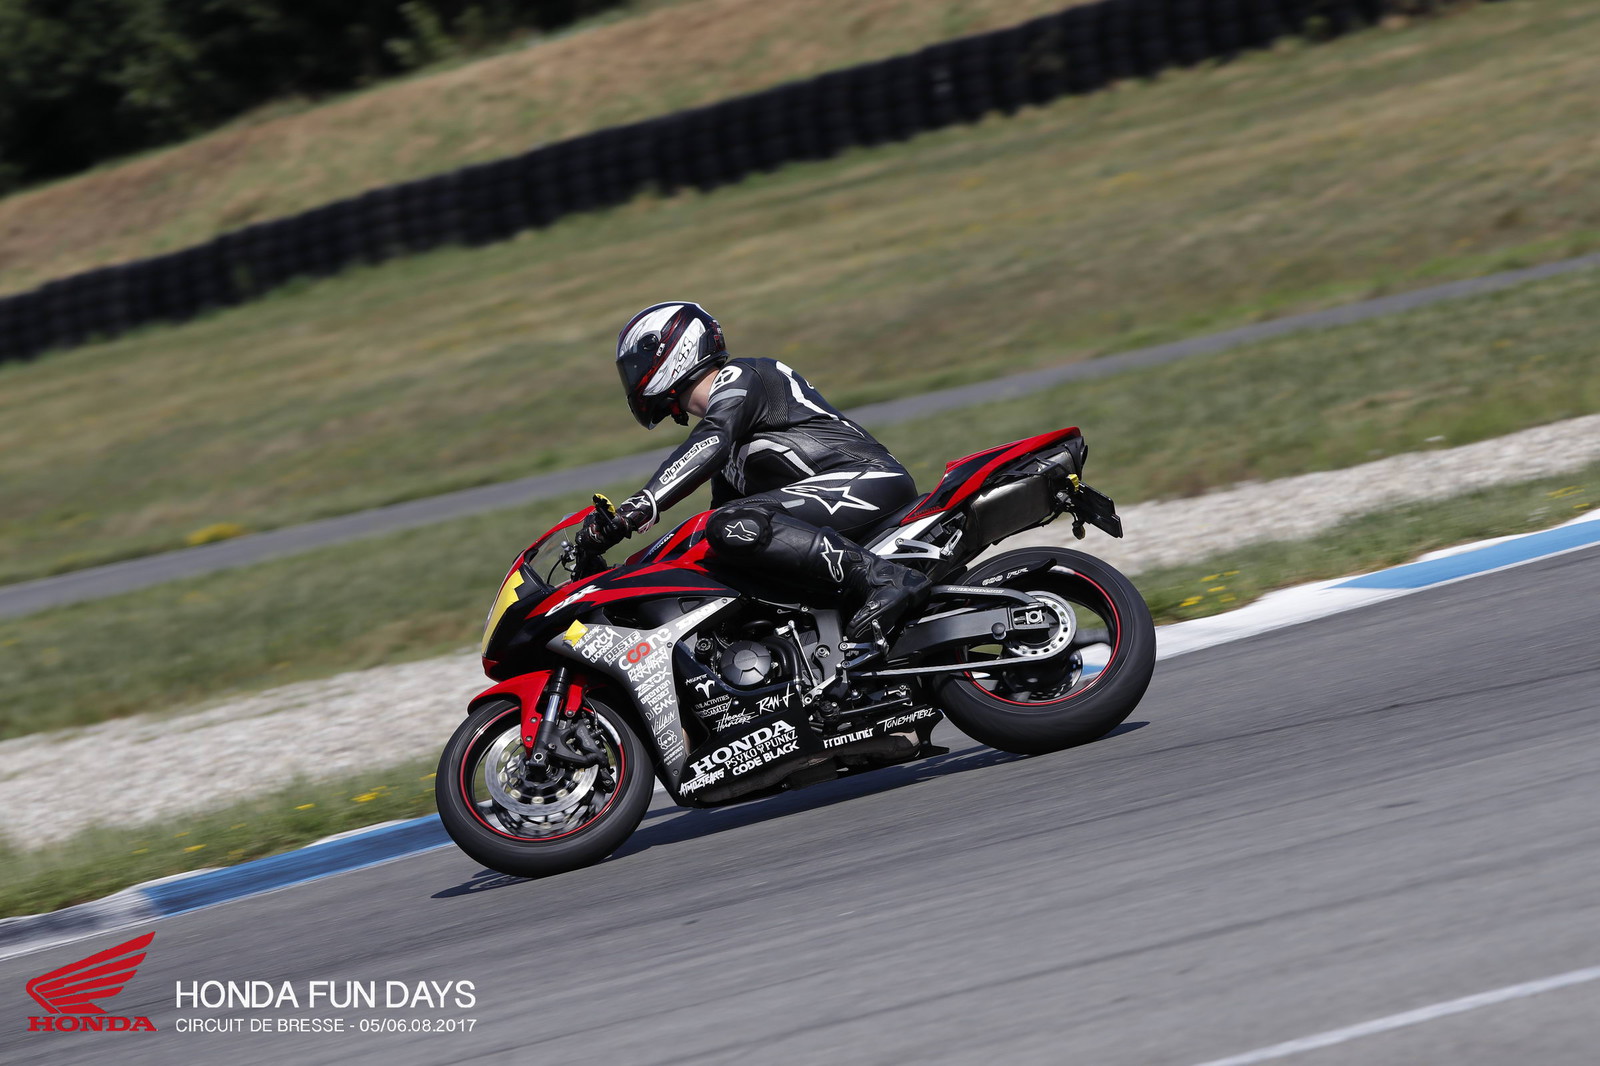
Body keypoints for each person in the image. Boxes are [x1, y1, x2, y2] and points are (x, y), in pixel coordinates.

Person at [575, 301, 931, 644]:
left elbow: (711, 440)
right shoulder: (730, 455)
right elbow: (703, 536)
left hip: (870, 479)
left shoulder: (743, 376)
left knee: (728, 522)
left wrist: (641, 506)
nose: (631, 378)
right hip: (839, 500)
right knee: (723, 540)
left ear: (669, 348)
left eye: (634, 366)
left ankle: (883, 579)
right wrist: (620, 576)